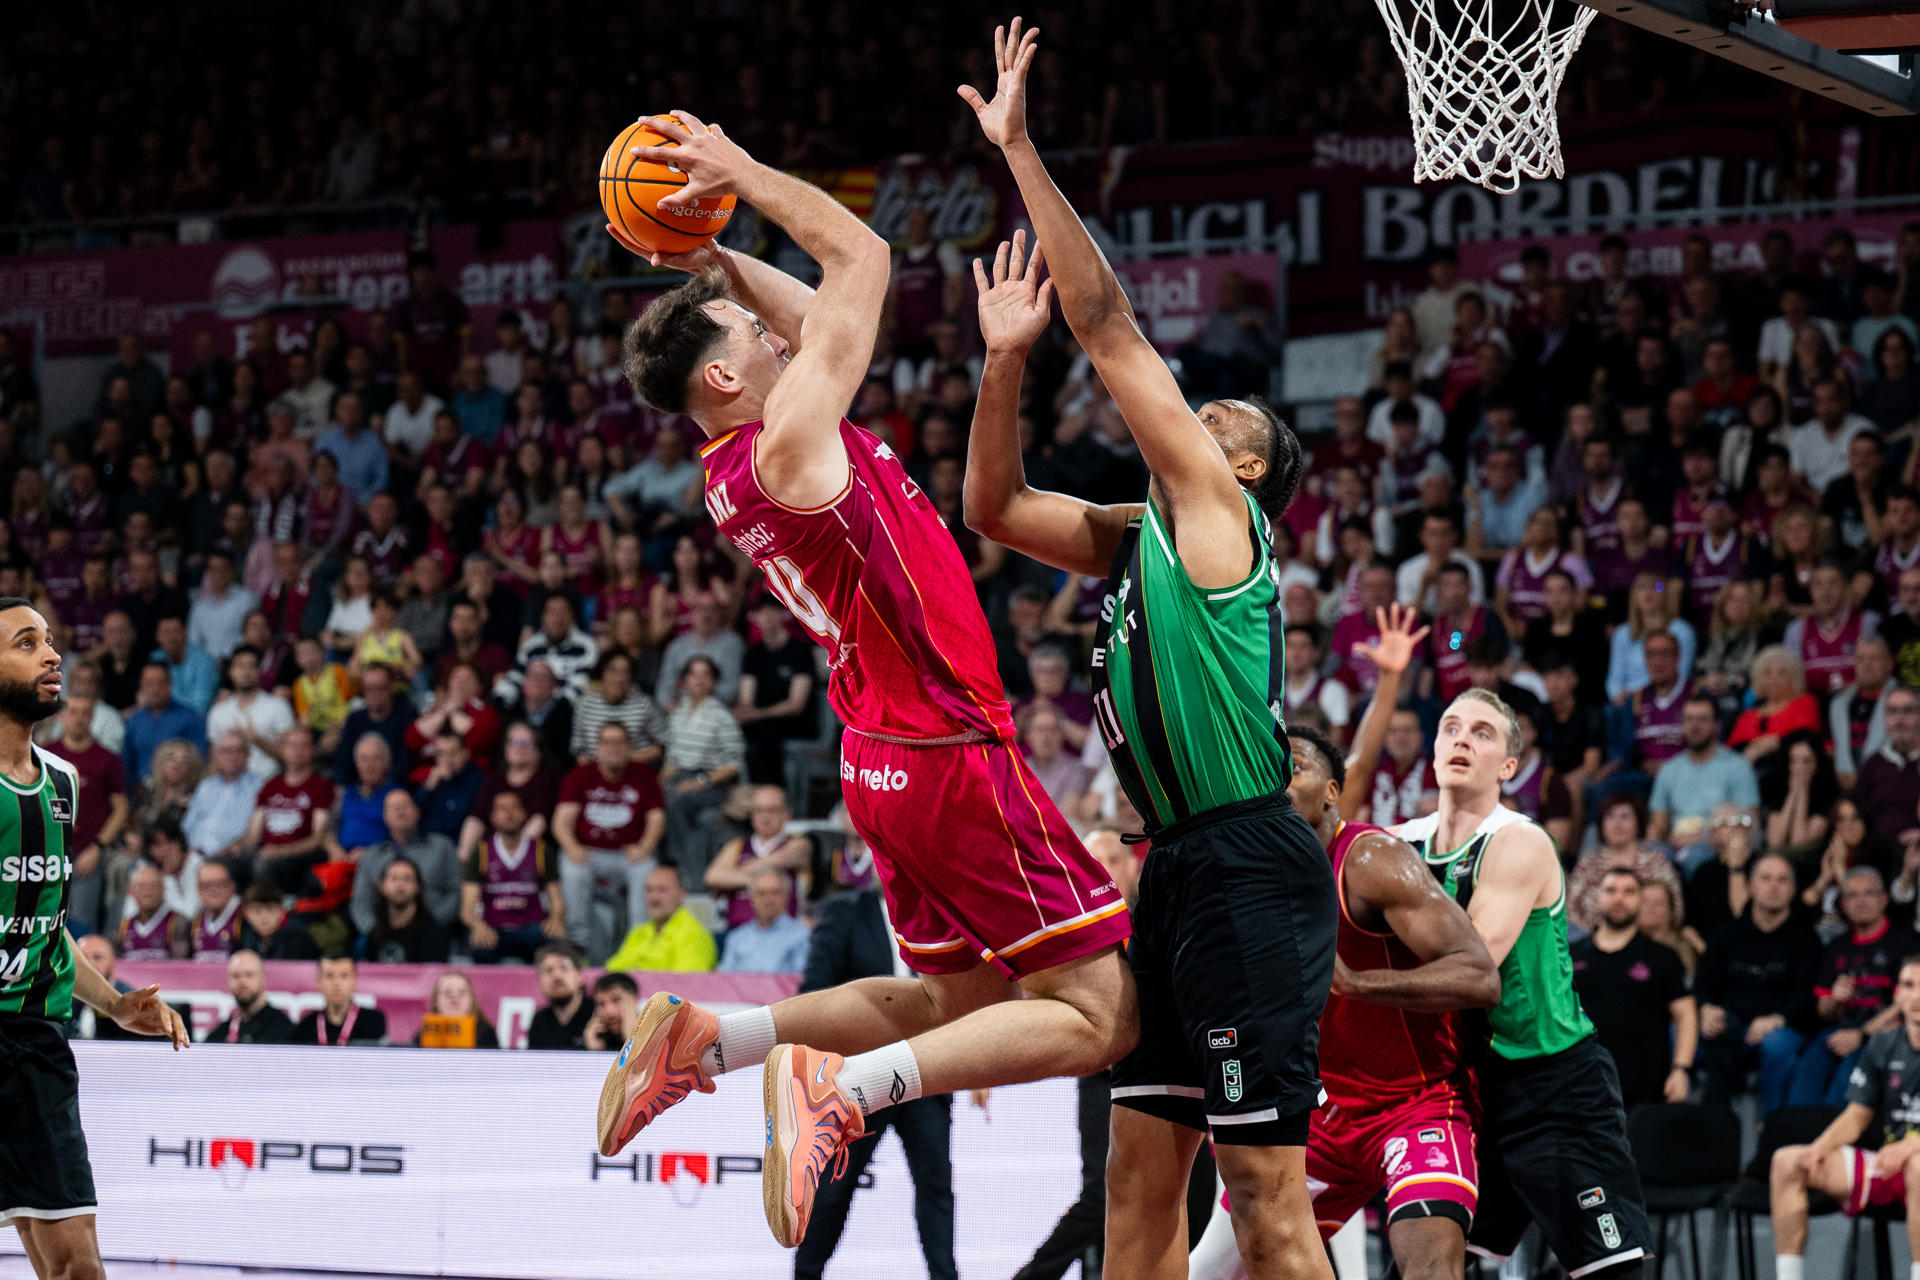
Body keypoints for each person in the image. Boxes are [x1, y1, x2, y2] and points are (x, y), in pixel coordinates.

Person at [597, 94, 1133, 1257]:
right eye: (749, 338)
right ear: (731, 382)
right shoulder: (789, 436)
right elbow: (864, 257)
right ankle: (838, 1092)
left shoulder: (748, 446)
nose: (773, 335)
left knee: (957, 1006)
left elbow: (820, 309)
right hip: (943, 749)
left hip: (881, 755)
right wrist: (741, 163)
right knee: (1100, 1012)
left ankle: (708, 1042)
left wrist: (710, 246)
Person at [1187, 724, 1499, 1280]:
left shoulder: (1371, 858)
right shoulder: (1253, 880)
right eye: (1267, 770)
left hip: (1415, 1104)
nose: (1277, 779)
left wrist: (1356, 982)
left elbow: (1479, 976)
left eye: (1295, 767)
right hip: (1323, 1114)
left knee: (1430, 1270)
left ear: (1333, 792)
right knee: (1207, 1273)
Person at [1392, 689, 1654, 1279]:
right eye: (1451, 728)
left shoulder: (1521, 841)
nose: (1461, 738)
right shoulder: (1401, 842)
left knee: (1612, 1272)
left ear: (1509, 767)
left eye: (1482, 733)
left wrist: (1357, 982)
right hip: (1466, 1092)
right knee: (1429, 1266)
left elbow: (1473, 971)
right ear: (1433, 750)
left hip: (1553, 1087)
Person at [0, 596, 188, 1280]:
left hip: (35, 1046)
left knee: (78, 1269)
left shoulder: (64, 783)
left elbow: (46, 925)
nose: (53, 656)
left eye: (50, 641)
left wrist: (111, 1003)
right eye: (27, 643)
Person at [791, 877, 960, 1280]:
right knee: (834, 1190)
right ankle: (806, 1274)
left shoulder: (945, 918)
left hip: (928, 1074)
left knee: (936, 1189)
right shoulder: (845, 912)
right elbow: (814, 993)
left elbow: (964, 995)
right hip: (861, 1080)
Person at [1769, 955, 1920, 1280]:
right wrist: (1820, 1147)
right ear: (1896, 995)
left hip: (1914, 1163)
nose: (1917, 996)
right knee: (1788, 1161)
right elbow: (1858, 1113)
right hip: (1889, 1160)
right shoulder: (1882, 1044)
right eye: (1909, 985)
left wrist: (1911, 1147)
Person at [1694, 853, 1820, 1113]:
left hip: (1780, 1027)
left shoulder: (1807, 940)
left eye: (1782, 880)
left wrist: (1778, 1019)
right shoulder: (1725, 934)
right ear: (1750, 886)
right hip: (1727, 1022)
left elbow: (1808, 997)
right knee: (1679, 1035)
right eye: (1765, 878)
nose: (1774, 886)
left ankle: (1772, 1126)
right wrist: (1705, 1009)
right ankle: (1691, 1126)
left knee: (1777, 1044)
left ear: (1794, 889)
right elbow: (1704, 982)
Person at [1570, 869, 1699, 1110]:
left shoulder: (1663, 957)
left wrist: (1681, 1069)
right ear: (1597, 897)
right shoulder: (1569, 955)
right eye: (1611, 890)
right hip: (1580, 1084)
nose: (1619, 898)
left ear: (1640, 900)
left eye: (1629, 891)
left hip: (1646, 1090)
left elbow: (1686, 1014)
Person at [1789, 867, 1902, 1107]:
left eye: (1869, 893)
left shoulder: (1905, 943)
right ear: (1842, 904)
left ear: (1884, 899)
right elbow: (1823, 1011)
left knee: (1842, 1089)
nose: (1860, 901)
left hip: (1884, 1035)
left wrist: (1862, 1034)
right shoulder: (1836, 948)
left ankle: (1831, 1142)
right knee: (1805, 1074)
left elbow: (1907, 1004)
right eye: (1852, 895)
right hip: (1838, 1032)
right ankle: (1795, 1137)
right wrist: (1836, 1000)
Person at [555, 722, 666, 956]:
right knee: (572, 869)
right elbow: (561, 822)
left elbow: (657, 818)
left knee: (647, 871)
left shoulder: (643, 774)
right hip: (589, 852)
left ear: (629, 747)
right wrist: (572, 847)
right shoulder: (580, 775)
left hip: (629, 854)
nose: (613, 748)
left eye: (619, 742)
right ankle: (578, 944)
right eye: (607, 742)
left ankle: (640, 943)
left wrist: (645, 846)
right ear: (598, 747)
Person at [42, 695, 128, 935]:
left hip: (88, 853)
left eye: (84, 713)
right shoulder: (45, 754)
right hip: (49, 852)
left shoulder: (107, 758)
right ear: (60, 716)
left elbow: (121, 809)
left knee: (81, 921)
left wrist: (97, 847)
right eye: (73, 712)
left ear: (92, 718)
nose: (78, 718)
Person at [462, 789, 565, 964]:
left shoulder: (541, 849)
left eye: (514, 808)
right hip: (493, 928)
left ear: (524, 814)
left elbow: (556, 898)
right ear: (493, 817)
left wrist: (555, 919)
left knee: (554, 942)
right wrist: (477, 926)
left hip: (532, 926)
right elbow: (466, 909)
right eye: (502, 809)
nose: (509, 813)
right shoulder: (481, 851)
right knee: (479, 944)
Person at [349, 789, 461, 937]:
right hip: (380, 935)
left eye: (405, 805)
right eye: (394, 807)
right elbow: (360, 902)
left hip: (432, 932)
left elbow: (456, 892)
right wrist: (375, 931)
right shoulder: (371, 855)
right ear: (384, 817)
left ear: (418, 812)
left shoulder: (442, 846)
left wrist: (432, 926)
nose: (400, 811)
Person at [703, 785, 811, 929]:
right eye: (759, 810)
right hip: (737, 932)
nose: (765, 816)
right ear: (752, 815)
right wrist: (763, 877)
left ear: (786, 814)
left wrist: (734, 877)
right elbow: (712, 876)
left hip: (783, 934)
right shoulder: (736, 846)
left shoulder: (798, 842)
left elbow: (782, 859)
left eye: (771, 810)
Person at [735, 595, 818, 784]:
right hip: (761, 720)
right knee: (734, 730)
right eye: (761, 612)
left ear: (783, 614)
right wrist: (744, 713)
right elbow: (746, 698)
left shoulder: (800, 651)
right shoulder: (753, 653)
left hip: (795, 721)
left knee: (767, 731)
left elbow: (796, 704)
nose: (767, 616)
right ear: (755, 618)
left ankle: (772, 792)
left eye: (772, 610)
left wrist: (758, 714)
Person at [243, 724, 334, 893]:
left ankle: (269, 912)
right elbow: (253, 832)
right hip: (266, 852)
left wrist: (280, 851)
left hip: (299, 856)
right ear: (283, 750)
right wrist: (242, 848)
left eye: (304, 745)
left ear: (313, 750)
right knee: (226, 865)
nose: (298, 751)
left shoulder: (321, 786)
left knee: (264, 866)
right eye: (292, 745)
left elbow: (318, 838)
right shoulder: (271, 785)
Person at [603, 864, 717, 972]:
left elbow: (686, 984)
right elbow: (612, 971)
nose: (653, 898)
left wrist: (636, 976)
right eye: (649, 890)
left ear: (682, 895)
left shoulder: (694, 934)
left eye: (662, 890)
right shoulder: (639, 932)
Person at [204, 646, 295, 778]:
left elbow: (289, 758)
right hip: (228, 785)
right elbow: (213, 761)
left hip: (268, 780)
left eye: (252, 666)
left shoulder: (279, 706)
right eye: (240, 666)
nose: (246, 672)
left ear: (260, 671)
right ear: (231, 672)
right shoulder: (218, 712)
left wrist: (255, 738)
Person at [179, 731, 264, 862]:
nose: (232, 756)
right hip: (191, 855)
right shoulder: (206, 786)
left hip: (231, 856)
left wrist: (237, 846)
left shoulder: (260, 786)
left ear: (248, 754)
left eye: (238, 751)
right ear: (216, 756)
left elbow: (254, 832)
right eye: (226, 751)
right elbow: (187, 826)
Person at [121, 662, 205, 783]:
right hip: (142, 793)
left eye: (160, 683)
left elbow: (198, 761)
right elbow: (127, 765)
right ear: (141, 686)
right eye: (149, 684)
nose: (155, 690)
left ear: (170, 684)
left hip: (180, 791)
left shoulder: (190, 718)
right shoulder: (134, 721)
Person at [718, 867, 812, 973]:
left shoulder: (802, 935)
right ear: (751, 898)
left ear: (787, 896)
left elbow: (802, 980)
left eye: (775, 892)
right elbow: (724, 980)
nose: (768, 899)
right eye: (761, 893)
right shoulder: (737, 938)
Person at [202, 949, 293, 1044]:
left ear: (263, 978)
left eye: (249, 975)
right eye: (235, 976)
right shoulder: (221, 1033)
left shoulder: (283, 1029)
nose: (242, 982)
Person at [292, 955, 389, 1045]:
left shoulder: (373, 1022)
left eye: (344, 976)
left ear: (354, 980)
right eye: (329, 976)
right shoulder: (307, 1025)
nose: (337, 983)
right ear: (319, 981)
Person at [526, 943, 593, 1050]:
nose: (557, 976)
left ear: (580, 976)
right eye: (548, 970)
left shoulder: (598, 1013)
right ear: (540, 980)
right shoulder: (539, 1021)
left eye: (564, 968)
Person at [410, 970, 500, 1048]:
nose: (455, 998)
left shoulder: (486, 1033)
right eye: (447, 993)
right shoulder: (425, 1034)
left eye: (461, 993)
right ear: (436, 1000)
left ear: (471, 999)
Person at [116, 863, 188, 961]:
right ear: (130, 890)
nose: (147, 892)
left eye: (153, 886)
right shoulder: (123, 926)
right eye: (141, 886)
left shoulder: (177, 922)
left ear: (163, 888)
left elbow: (180, 967)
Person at [186, 860, 243, 963]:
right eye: (206, 885)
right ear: (198, 890)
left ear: (231, 886)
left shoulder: (245, 918)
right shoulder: (195, 922)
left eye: (218, 884)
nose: (213, 890)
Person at [583, 971, 640, 1054]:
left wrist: (632, 1040)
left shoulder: (656, 1031)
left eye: (616, 1000)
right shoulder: (599, 1038)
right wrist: (596, 1053)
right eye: (601, 1004)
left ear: (635, 1001)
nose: (609, 1012)